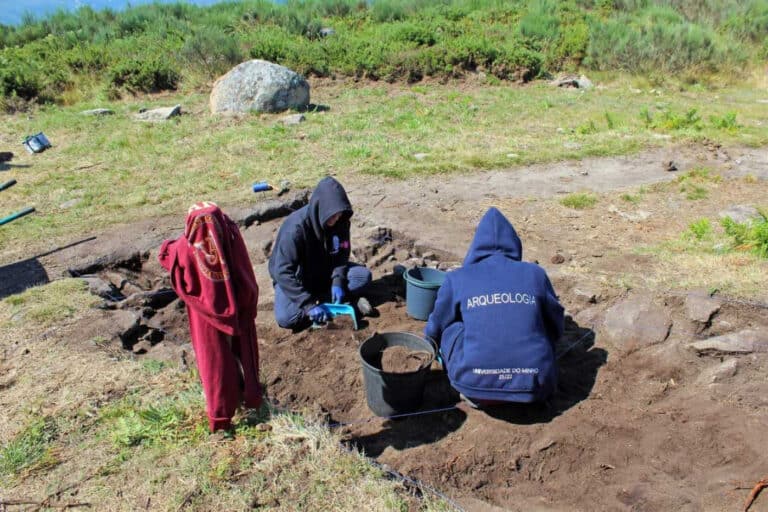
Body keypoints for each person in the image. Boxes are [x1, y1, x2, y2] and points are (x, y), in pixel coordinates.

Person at [425, 207, 564, 408]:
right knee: (540, 323)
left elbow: (436, 324)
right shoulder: (535, 273)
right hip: (537, 386)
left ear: (475, 247)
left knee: (450, 326)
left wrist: (429, 342)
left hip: (475, 387)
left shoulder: (458, 277)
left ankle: (479, 378)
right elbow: (556, 322)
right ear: (515, 244)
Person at [158, 201, 262, 434]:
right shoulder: (229, 239)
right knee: (239, 356)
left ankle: (221, 417)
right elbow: (248, 281)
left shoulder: (186, 248)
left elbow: (167, 256)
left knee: (215, 365)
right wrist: (244, 308)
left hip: (205, 319)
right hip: (238, 313)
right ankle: (249, 398)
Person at [269, 176, 372, 330]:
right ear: (320, 208)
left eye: (338, 215)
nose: (336, 219)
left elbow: (341, 255)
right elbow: (282, 272)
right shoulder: (295, 229)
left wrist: (337, 281)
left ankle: (326, 299)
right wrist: (308, 305)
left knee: (363, 277)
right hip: (298, 278)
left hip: (325, 272)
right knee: (286, 317)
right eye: (332, 216)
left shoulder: (341, 221)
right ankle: (315, 302)